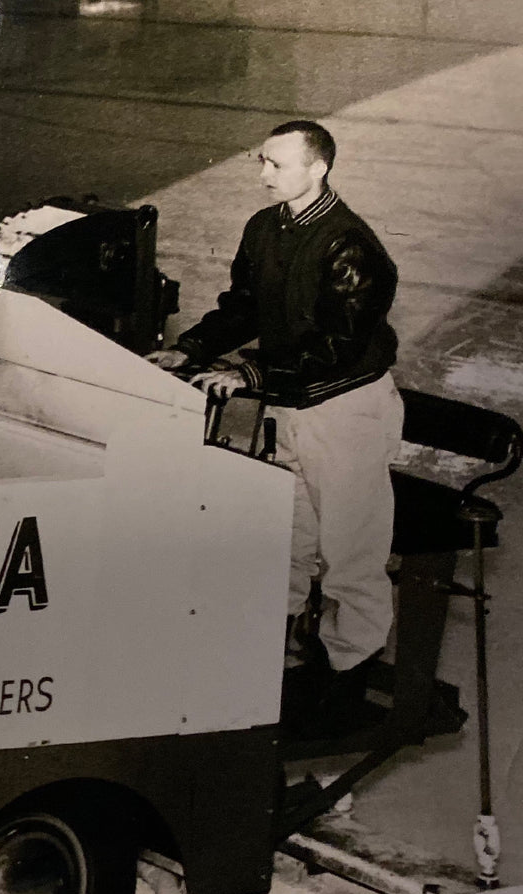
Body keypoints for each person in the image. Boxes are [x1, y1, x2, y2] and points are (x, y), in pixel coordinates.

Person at [147, 119, 402, 733]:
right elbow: (245, 306)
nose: (263, 174)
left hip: (347, 409)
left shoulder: (352, 249)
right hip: (291, 404)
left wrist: (251, 375)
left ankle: (346, 676)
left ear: (319, 169)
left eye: (277, 165)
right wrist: (194, 348)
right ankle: (279, 663)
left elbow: (336, 347)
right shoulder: (266, 227)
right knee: (287, 542)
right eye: (262, 161)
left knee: (350, 554)